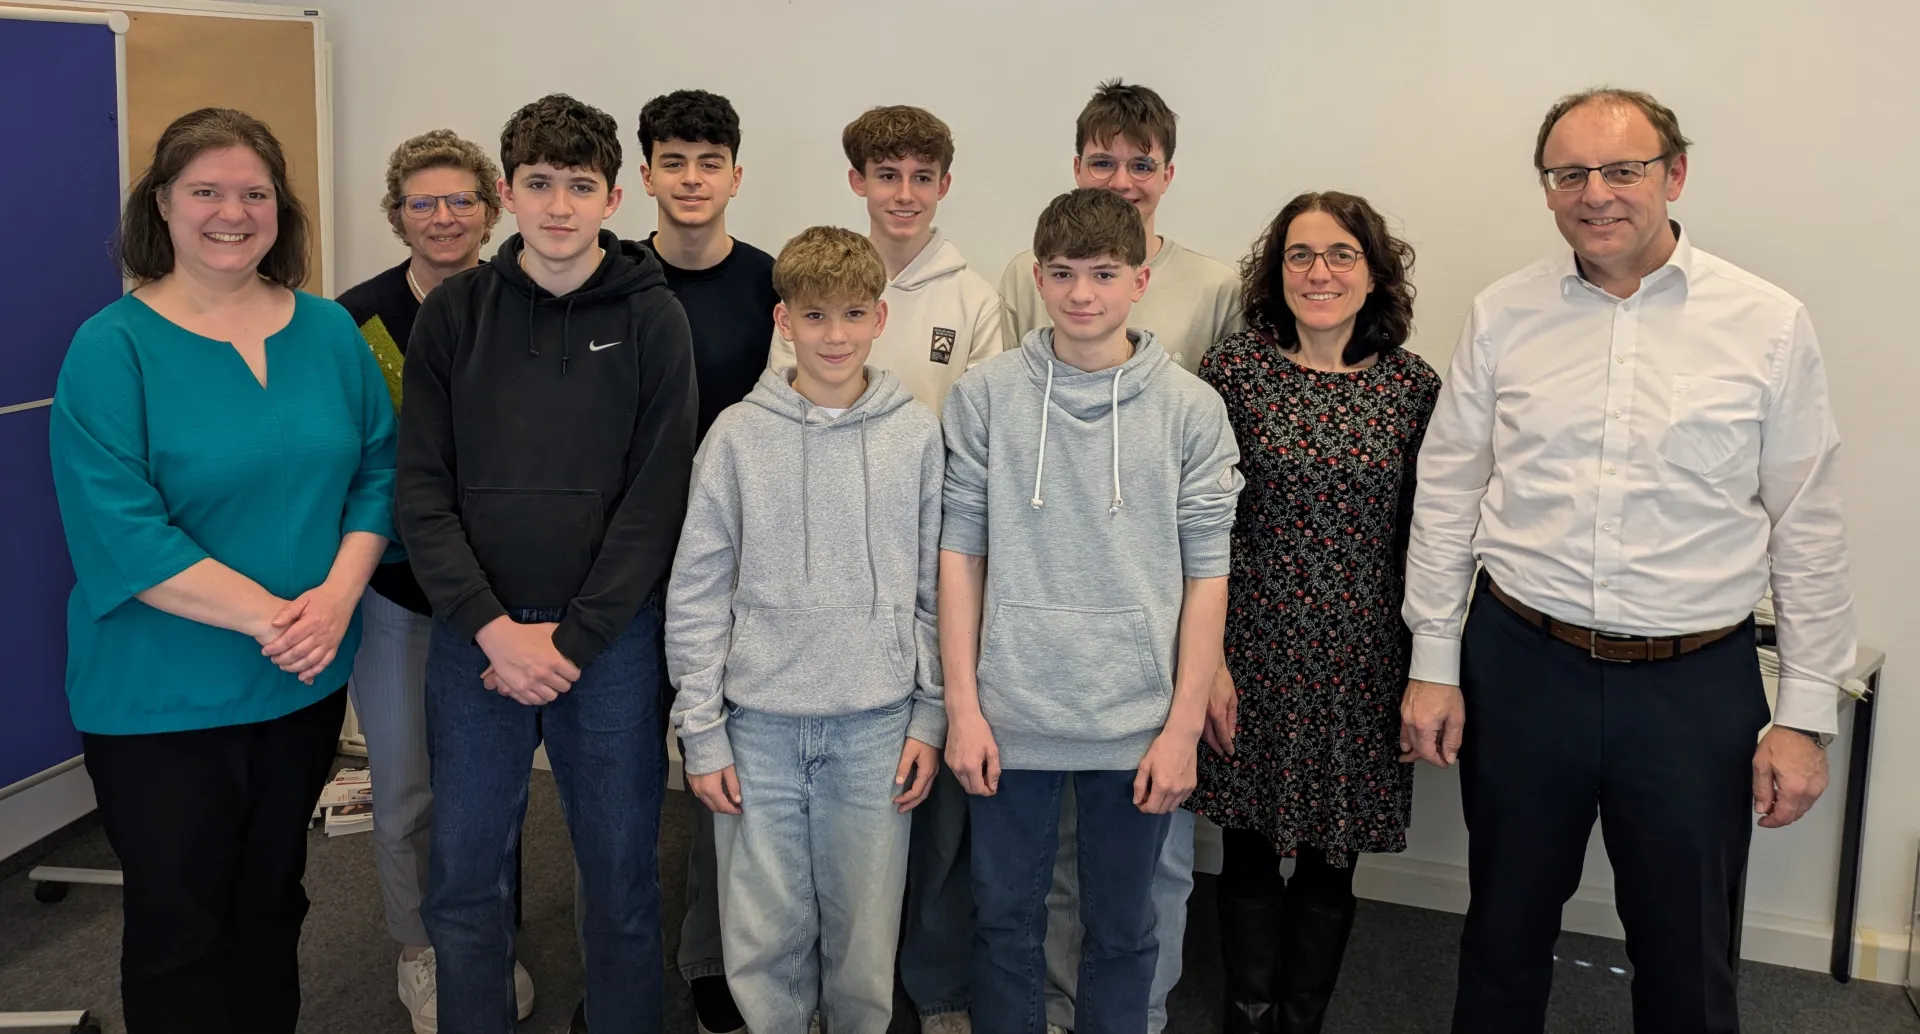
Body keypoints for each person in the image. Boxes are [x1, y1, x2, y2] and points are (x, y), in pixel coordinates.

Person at [1400, 87, 1855, 1034]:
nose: (1595, 193)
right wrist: (1433, 661)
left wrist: (1806, 718)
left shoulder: (1767, 324)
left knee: (1688, 956)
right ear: (1547, 189)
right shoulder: (1503, 314)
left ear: (1674, 174)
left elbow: (1809, 526)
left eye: (1622, 169)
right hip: (1524, 666)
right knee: (1503, 932)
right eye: (1569, 174)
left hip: (1694, 686)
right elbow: (1446, 491)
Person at [48, 107, 397, 1033]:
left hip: (302, 681)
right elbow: (123, 533)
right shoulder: (111, 347)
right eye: (206, 191)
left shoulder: (332, 331)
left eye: (255, 193)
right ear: (162, 204)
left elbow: (380, 471)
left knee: (274, 901)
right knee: (181, 924)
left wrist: (337, 600)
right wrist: (282, 620)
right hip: (163, 695)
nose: (232, 213)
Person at [396, 93, 697, 1034]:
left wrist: (574, 637)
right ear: (505, 193)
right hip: (475, 641)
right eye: (538, 183)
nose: (559, 206)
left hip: (608, 641)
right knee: (464, 876)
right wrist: (493, 628)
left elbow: (657, 499)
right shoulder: (454, 315)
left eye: (579, 185)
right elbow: (422, 491)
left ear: (614, 197)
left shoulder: (654, 320)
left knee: (621, 874)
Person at [941, 187, 1243, 1034]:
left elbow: (1208, 576)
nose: (1082, 294)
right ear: (1037, 277)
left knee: (1123, 929)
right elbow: (960, 556)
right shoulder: (985, 396)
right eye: (1065, 273)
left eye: (1105, 273)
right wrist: (963, 709)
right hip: (1010, 713)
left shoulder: (1191, 409)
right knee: (1004, 921)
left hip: (1136, 722)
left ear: (1140, 280)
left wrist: (1182, 728)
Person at [666, 225, 947, 1034]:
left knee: (865, 936)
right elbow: (697, 592)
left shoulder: (915, 435)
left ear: (879, 319)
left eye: (853, 314)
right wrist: (702, 731)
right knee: (764, 937)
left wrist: (930, 715)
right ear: (784, 320)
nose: (834, 335)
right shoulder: (735, 437)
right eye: (815, 315)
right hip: (759, 725)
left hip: (877, 723)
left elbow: (934, 589)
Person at [763, 102, 1003, 1034]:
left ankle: (934, 979)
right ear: (856, 181)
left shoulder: (973, 299)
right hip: (819, 571)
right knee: (818, 811)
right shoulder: (817, 283)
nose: (904, 194)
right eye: (886, 175)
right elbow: (778, 406)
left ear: (944, 184)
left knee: (929, 789)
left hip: (929, 559)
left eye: (921, 177)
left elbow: (981, 439)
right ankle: (812, 979)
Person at [1189, 192, 1440, 1033]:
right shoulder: (1234, 373)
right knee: (1249, 850)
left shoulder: (1413, 388)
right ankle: (1247, 1019)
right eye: (1300, 254)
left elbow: (1430, 536)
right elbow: (1198, 525)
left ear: (1373, 274)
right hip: (1250, 649)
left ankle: (1301, 1022)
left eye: (1341, 254)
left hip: (1364, 659)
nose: (1319, 272)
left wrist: (1429, 670)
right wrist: (1207, 662)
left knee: (1335, 863)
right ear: (1277, 271)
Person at [575, 86, 778, 1034]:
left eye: (710, 163)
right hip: (621, 570)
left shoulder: (771, 286)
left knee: (722, 779)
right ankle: (611, 983)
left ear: (736, 176)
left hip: (735, 575)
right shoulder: (604, 277)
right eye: (673, 162)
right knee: (611, 793)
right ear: (644, 177)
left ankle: (712, 961)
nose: (692, 179)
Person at [334, 127, 536, 1033]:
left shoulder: (529, 300)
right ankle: (421, 948)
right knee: (407, 789)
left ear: (491, 211)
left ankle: (489, 937)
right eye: (424, 202)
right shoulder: (355, 323)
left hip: (504, 596)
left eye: (462, 200)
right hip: (402, 594)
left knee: (493, 790)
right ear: (397, 215)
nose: (445, 217)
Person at [998, 79, 1241, 376]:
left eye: (1141, 166)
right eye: (1103, 163)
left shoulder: (1217, 290)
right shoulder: (1025, 275)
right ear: (1077, 169)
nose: (1120, 183)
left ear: (1167, 176)